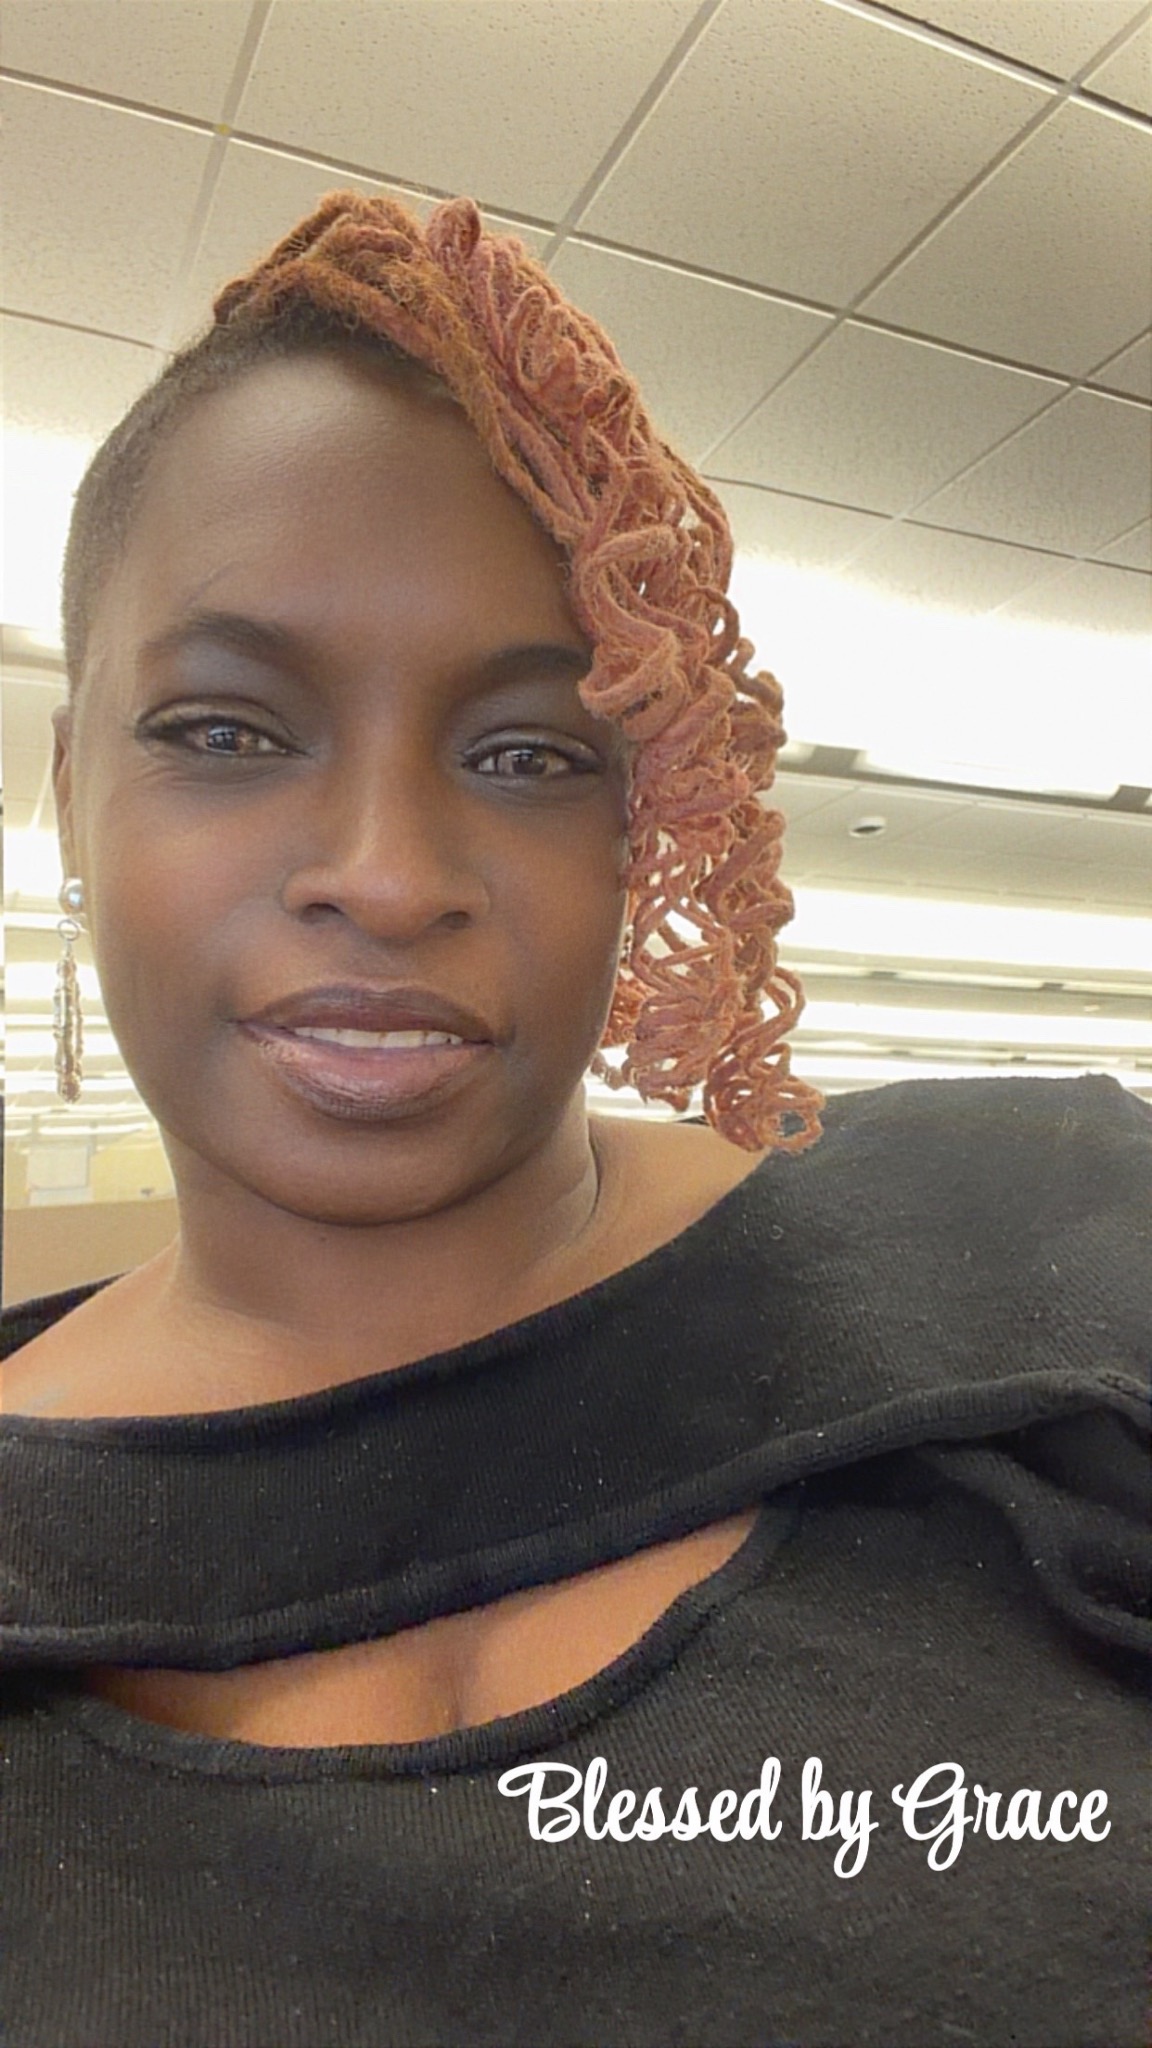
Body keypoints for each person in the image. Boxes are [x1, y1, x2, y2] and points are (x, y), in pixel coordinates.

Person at [0, 193, 1147, 2048]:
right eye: (226, 730)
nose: (389, 877)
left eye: (529, 754)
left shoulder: (1049, 1255)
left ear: (639, 827)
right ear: (70, 789)